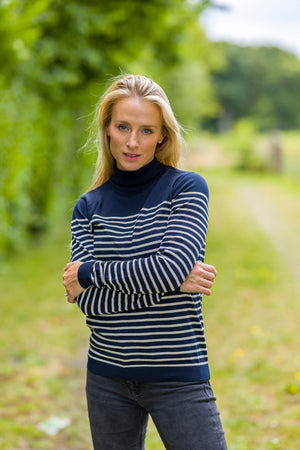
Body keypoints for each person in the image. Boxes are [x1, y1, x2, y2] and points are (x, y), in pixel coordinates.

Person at [63, 74, 227, 450]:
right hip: (106, 379)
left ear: (162, 136)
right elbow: (90, 303)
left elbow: (165, 268)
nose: (133, 142)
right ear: (107, 130)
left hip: (178, 375)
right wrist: (171, 280)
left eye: (146, 130)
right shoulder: (88, 207)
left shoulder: (186, 189)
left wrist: (90, 273)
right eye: (123, 127)